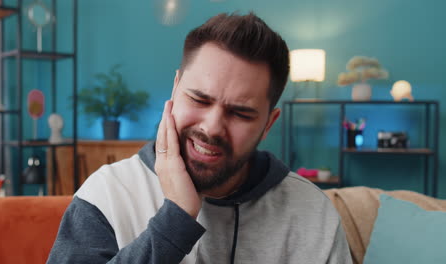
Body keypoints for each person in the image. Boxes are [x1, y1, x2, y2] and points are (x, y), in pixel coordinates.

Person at [47, 12, 352, 264]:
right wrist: (176, 218)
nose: (212, 127)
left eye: (241, 113)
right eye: (199, 99)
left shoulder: (313, 214)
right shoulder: (109, 193)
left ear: (268, 124)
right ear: (175, 89)